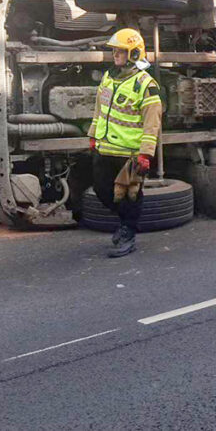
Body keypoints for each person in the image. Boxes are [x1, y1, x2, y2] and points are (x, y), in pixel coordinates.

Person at [88, 28, 162, 258]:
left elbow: (153, 122)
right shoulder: (109, 77)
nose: (115, 55)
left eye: (120, 51)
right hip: (105, 148)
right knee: (102, 190)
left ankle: (128, 232)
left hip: (130, 154)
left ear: (133, 53)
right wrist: (93, 135)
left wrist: (145, 154)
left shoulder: (145, 84)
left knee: (130, 195)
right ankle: (126, 223)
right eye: (114, 51)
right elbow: (99, 109)